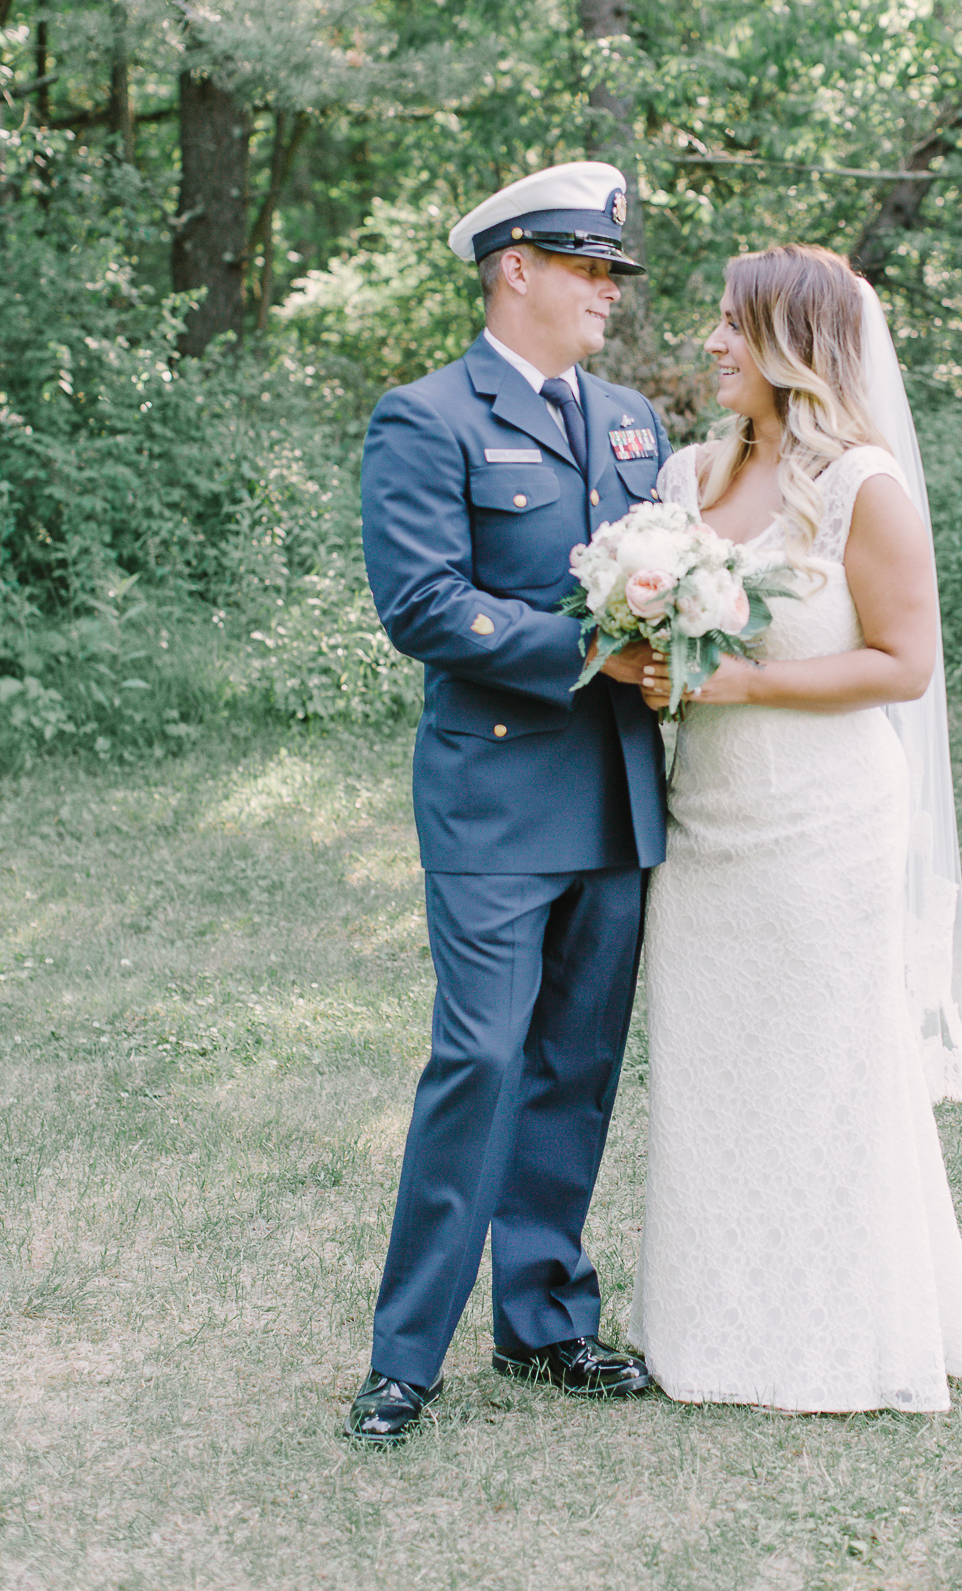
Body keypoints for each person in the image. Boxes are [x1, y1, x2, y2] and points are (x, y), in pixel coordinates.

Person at [628, 245, 962, 1413]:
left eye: (733, 326)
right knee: (712, 1070)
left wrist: (740, 687)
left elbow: (906, 660)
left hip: (824, 817)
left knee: (828, 1070)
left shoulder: (861, 485)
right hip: (708, 820)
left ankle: (842, 1337)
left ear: (791, 342)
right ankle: (710, 1329)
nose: (713, 344)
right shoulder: (690, 475)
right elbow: (661, 631)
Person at [346, 161, 670, 1443]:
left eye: (612, 273)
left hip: (615, 793)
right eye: (587, 269)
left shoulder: (636, 416)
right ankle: (406, 1355)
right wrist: (597, 646)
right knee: (478, 1057)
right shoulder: (425, 417)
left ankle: (546, 1321)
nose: (607, 292)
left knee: (576, 1063)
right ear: (514, 270)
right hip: (492, 792)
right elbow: (420, 604)